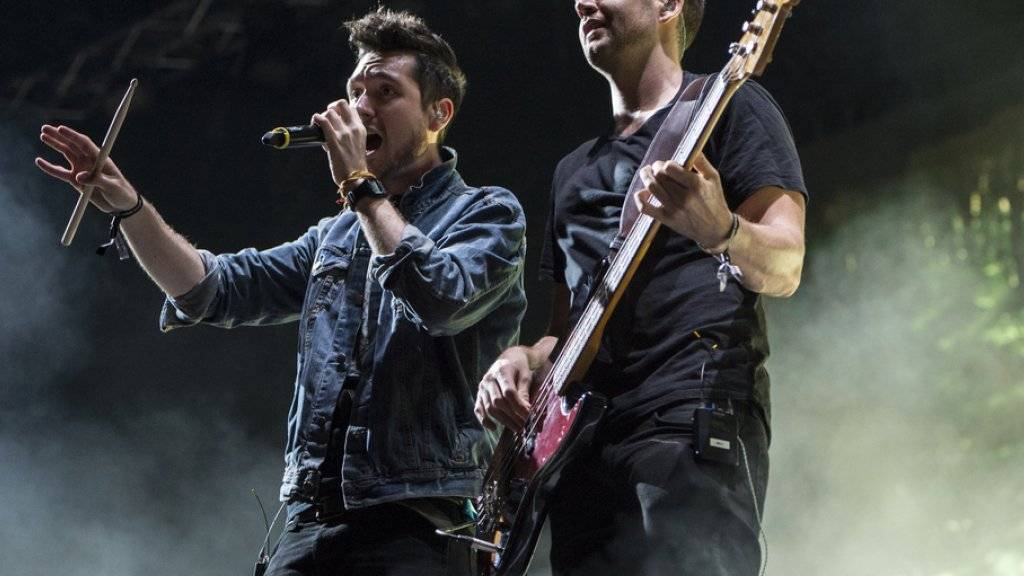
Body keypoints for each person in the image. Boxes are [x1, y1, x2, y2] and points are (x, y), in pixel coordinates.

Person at [37, 8, 526, 576]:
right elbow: (213, 289)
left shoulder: (486, 213)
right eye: (355, 90)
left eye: (385, 92)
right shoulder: (335, 236)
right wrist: (130, 207)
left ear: (439, 113)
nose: (360, 107)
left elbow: (438, 300)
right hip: (307, 524)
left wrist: (359, 186)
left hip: (415, 525)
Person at [474, 0, 806, 574]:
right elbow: (566, 333)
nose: (582, 3)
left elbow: (786, 265)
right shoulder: (571, 171)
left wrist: (720, 229)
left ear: (668, 6)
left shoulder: (729, 103)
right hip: (581, 449)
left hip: (686, 413)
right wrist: (519, 358)